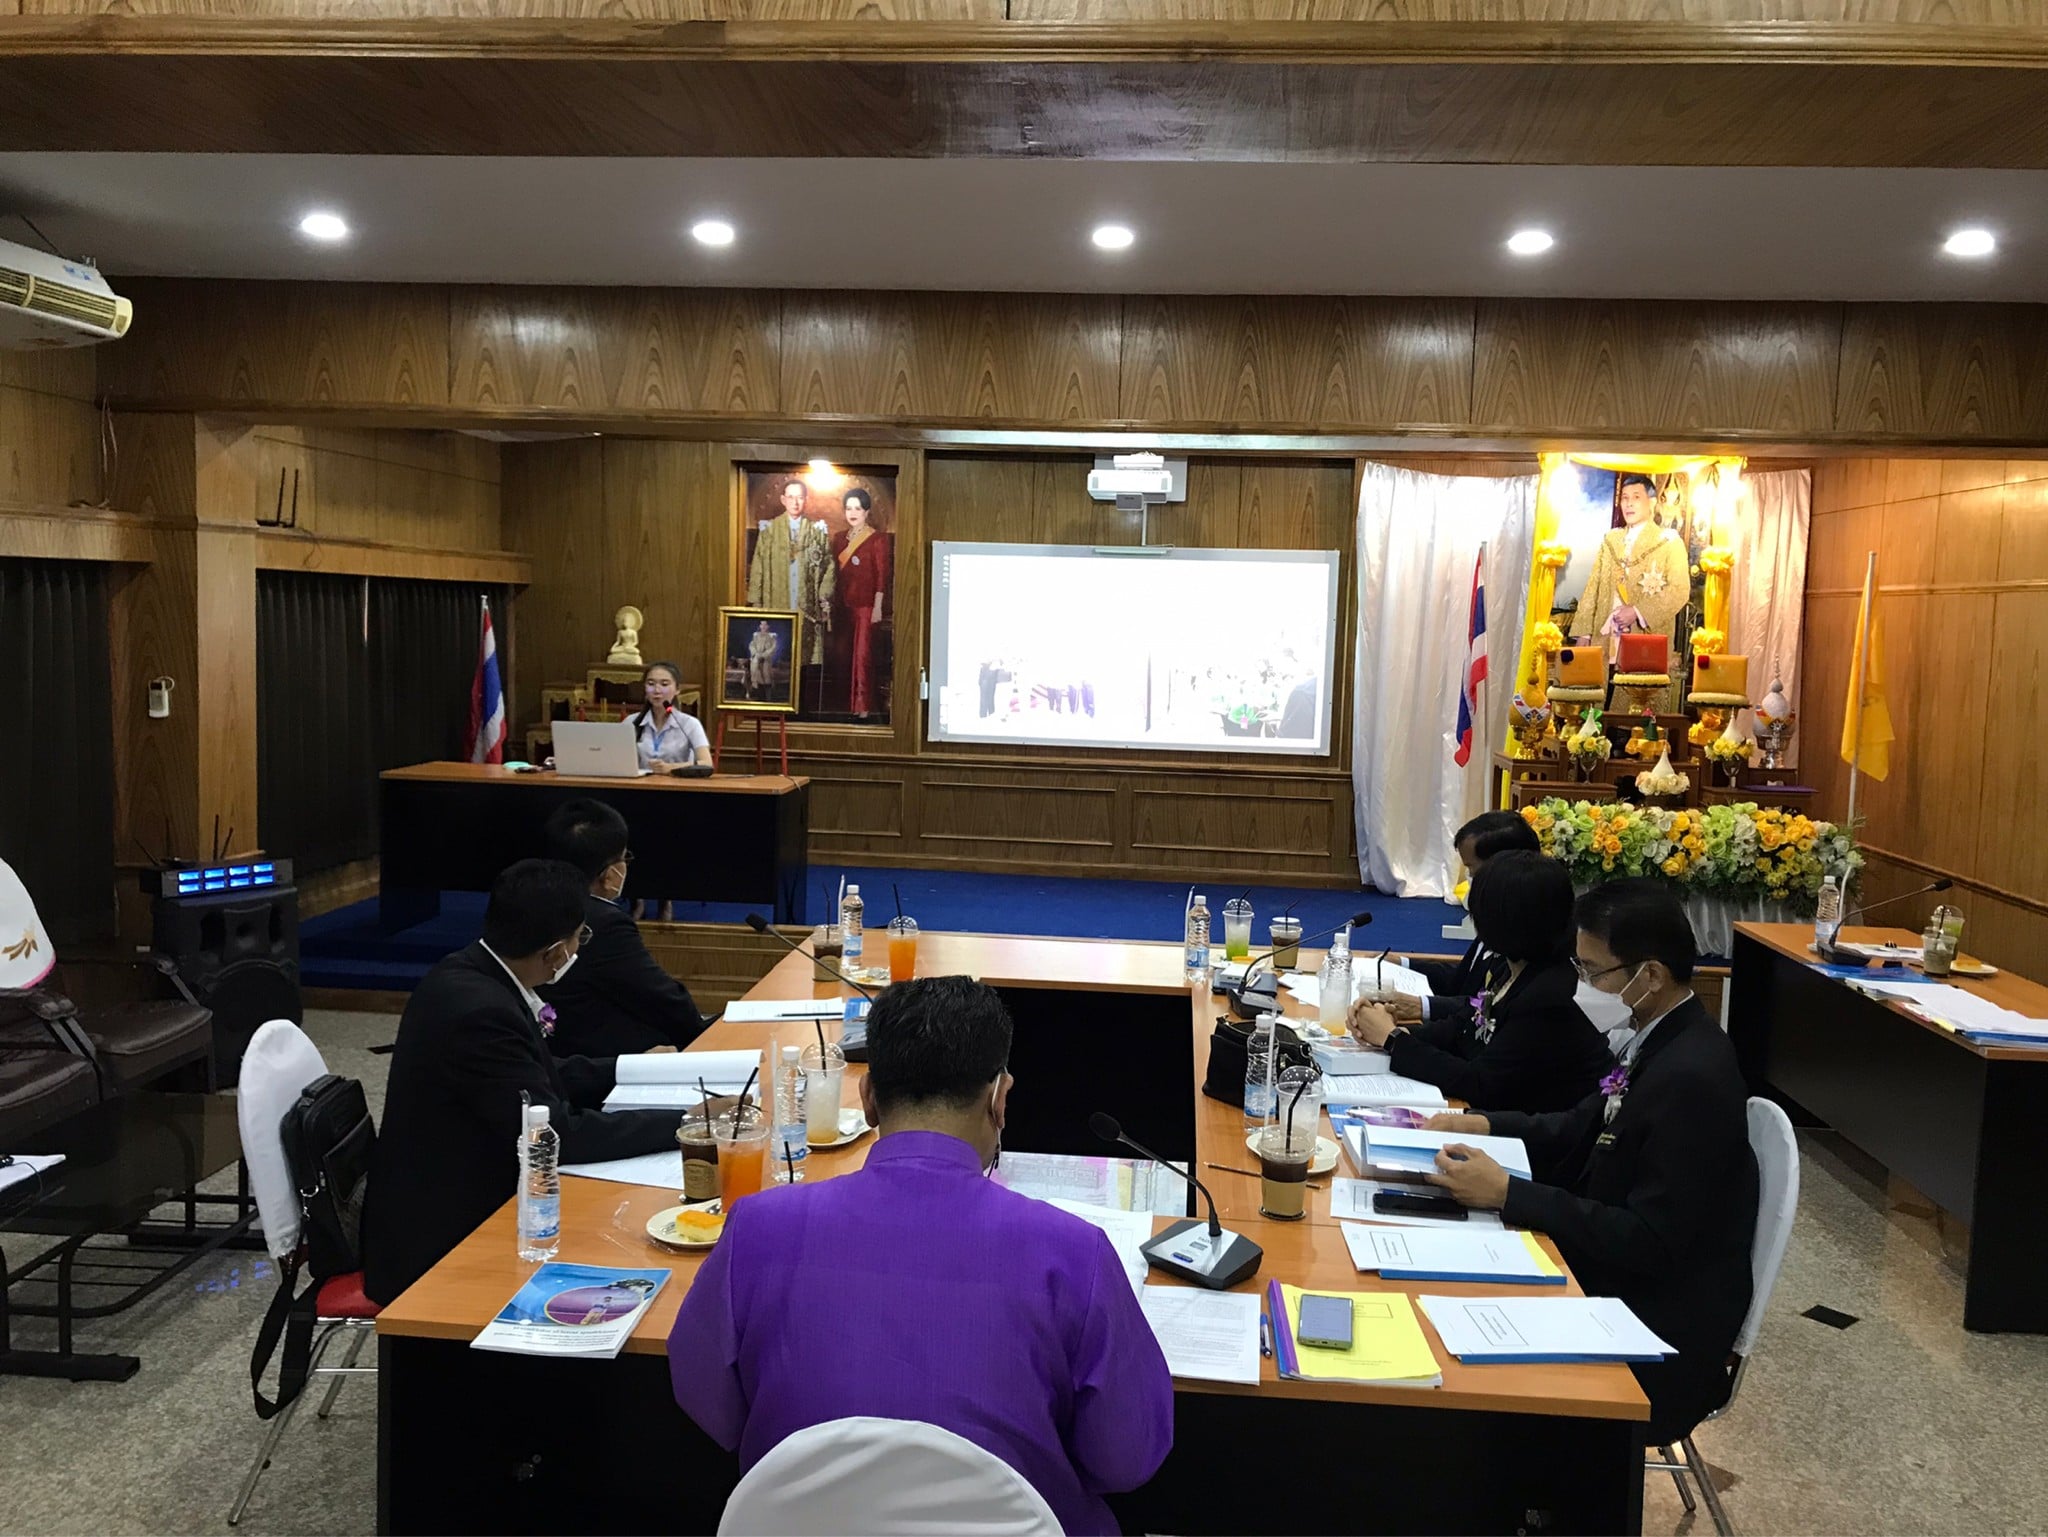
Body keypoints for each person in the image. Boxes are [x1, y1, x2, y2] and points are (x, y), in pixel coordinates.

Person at [667, 976, 1173, 1534]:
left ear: (867, 1098)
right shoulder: (1077, 1254)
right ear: (998, 1099)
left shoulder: (756, 1228)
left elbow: (709, 1404)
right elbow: (1128, 1458)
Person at [1422, 878, 1759, 1444]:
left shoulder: (1692, 1077)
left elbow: (1650, 1240)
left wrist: (1510, 1193)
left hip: (1654, 1324)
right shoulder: (1659, 1034)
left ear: (1649, 974)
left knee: (1449, 1349)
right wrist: (1483, 1121)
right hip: (1610, 1268)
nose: (1580, 985)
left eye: (1592, 971)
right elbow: (1583, 1121)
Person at [363, 859, 684, 1305]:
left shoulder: (474, 971)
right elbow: (555, 1135)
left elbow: (544, 1072)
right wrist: (686, 1124)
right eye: (579, 938)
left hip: (472, 1189)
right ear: (554, 952)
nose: (577, 950)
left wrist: (635, 1067)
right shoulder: (479, 1011)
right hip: (442, 1236)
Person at [1347, 850, 1610, 1113]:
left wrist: (1393, 1040)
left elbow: (1480, 1083)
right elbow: (1464, 1028)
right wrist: (1387, 1029)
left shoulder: (1551, 994)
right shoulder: (1513, 964)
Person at [539, 799, 709, 1057]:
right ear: (609, 876)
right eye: (624, 858)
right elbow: (661, 999)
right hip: (601, 1060)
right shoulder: (604, 922)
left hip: (552, 1044)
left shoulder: (532, 900)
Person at [1574, 472, 1691, 649]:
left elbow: (1679, 591)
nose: (1629, 504)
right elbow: (1593, 588)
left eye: (1636, 497)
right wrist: (1583, 632)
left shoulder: (1669, 541)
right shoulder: (1611, 540)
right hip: (1605, 638)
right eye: (1625, 498)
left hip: (1645, 640)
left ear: (1652, 502)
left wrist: (1638, 612)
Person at [745, 477, 834, 666]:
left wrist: (823, 596)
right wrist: (756, 603)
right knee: (779, 657)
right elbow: (758, 566)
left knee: (804, 658)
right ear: (783, 500)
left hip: (805, 604)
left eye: (800, 497)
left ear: (806, 500)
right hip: (777, 599)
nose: (795, 502)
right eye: (791, 497)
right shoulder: (769, 531)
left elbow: (828, 566)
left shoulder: (817, 531)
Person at [831, 487, 891, 719]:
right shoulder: (839, 539)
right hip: (842, 607)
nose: (853, 512)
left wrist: (877, 607)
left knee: (862, 657)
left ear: (867, 511)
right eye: (848, 508)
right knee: (843, 656)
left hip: (866, 607)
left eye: (857, 508)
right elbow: (833, 574)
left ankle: (863, 706)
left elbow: (882, 576)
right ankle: (846, 707)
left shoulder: (878, 539)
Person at [627, 661, 712, 775]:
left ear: (677, 689)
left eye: (664, 684)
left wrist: (671, 768)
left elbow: (706, 763)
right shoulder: (631, 722)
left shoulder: (689, 724)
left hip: (677, 787)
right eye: (651, 684)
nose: (657, 690)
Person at [746, 621, 779, 698]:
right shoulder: (756, 636)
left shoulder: (771, 637)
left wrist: (764, 655)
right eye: (762, 624)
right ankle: (756, 695)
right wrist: (755, 654)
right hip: (756, 660)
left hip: (766, 660)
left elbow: (773, 648)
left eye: (765, 625)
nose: (763, 626)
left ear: (768, 626)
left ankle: (767, 697)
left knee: (766, 678)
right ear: (760, 626)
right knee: (756, 677)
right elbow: (751, 645)